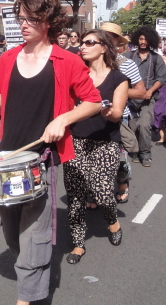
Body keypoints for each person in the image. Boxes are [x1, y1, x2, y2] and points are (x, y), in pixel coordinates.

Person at [0, 0, 101, 305]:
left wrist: (64, 119)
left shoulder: (67, 61)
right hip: (8, 157)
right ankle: (29, 270)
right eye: (22, 18)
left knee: (34, 230)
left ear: (48, 21)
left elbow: (93, 102)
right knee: (11, 228)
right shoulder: (7, 58)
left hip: (41, 160)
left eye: (32, 19)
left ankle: (28, 296)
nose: (24, 24)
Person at [63, 30, 129, 264]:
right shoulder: (75, 76)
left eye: (90, 42)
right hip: (76, 140)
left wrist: (106, 110)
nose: (83, 46)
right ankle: (78, 243)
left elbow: (118, 115)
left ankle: (113, 222)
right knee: (76, 196)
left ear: (104, 47)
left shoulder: (118, 79)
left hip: (105, 142)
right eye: (82, 42)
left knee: (102, 192)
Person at [99, 22, 146, 205]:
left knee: (118, 158)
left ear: (117, 40)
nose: (105, 40)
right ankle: (96, 191)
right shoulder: (88, 62)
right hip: (93, 116)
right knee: (94, 157)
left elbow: (141, 92)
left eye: (110, 36)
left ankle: (121, 183)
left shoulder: (127, 64)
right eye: (102, 35)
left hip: (119, 117)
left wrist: (117, 91)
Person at [125, 26, 166, 167]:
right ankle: (135, 151)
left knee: (144, 125)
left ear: (151, 41)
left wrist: (150, 91)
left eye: (146, 39)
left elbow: (161, 78)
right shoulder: (128, 56)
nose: (143, 42)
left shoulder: (156, 58)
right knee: (132, 125)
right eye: (141, 39)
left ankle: (145, 153)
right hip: (130, 98)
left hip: (148, 98)